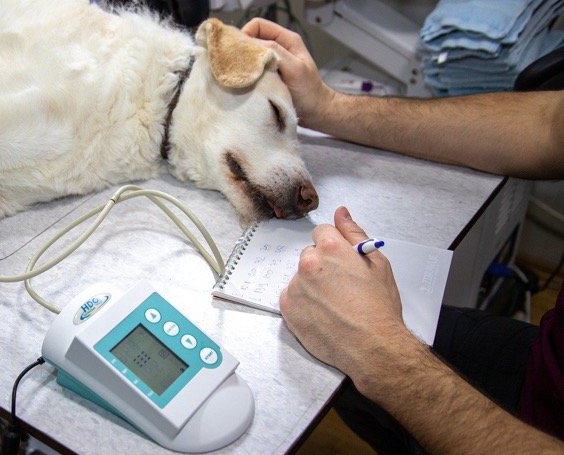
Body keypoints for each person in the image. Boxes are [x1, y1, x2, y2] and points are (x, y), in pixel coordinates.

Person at [241, 17, 564, 454]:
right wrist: (326, 106)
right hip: (547, 366)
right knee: (343, 384)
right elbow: (549, 126)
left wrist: (379, 350)